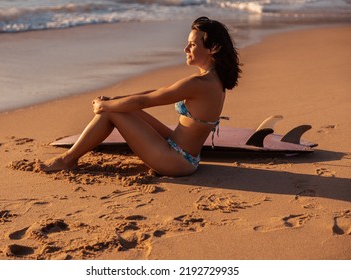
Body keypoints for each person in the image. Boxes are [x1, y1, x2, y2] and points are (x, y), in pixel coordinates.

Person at [40, 16, 241, 177]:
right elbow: (155, 92)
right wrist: (116, 99)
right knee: (118, 106)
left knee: (112, 112)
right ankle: (73, 154)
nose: (185, 49)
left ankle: (68, 159)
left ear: (212, 49)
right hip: (185, 154)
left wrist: (105, 107)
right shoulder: (213, 81)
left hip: (175, 161)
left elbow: (146, 101)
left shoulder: (199, 84)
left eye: (192, 45)